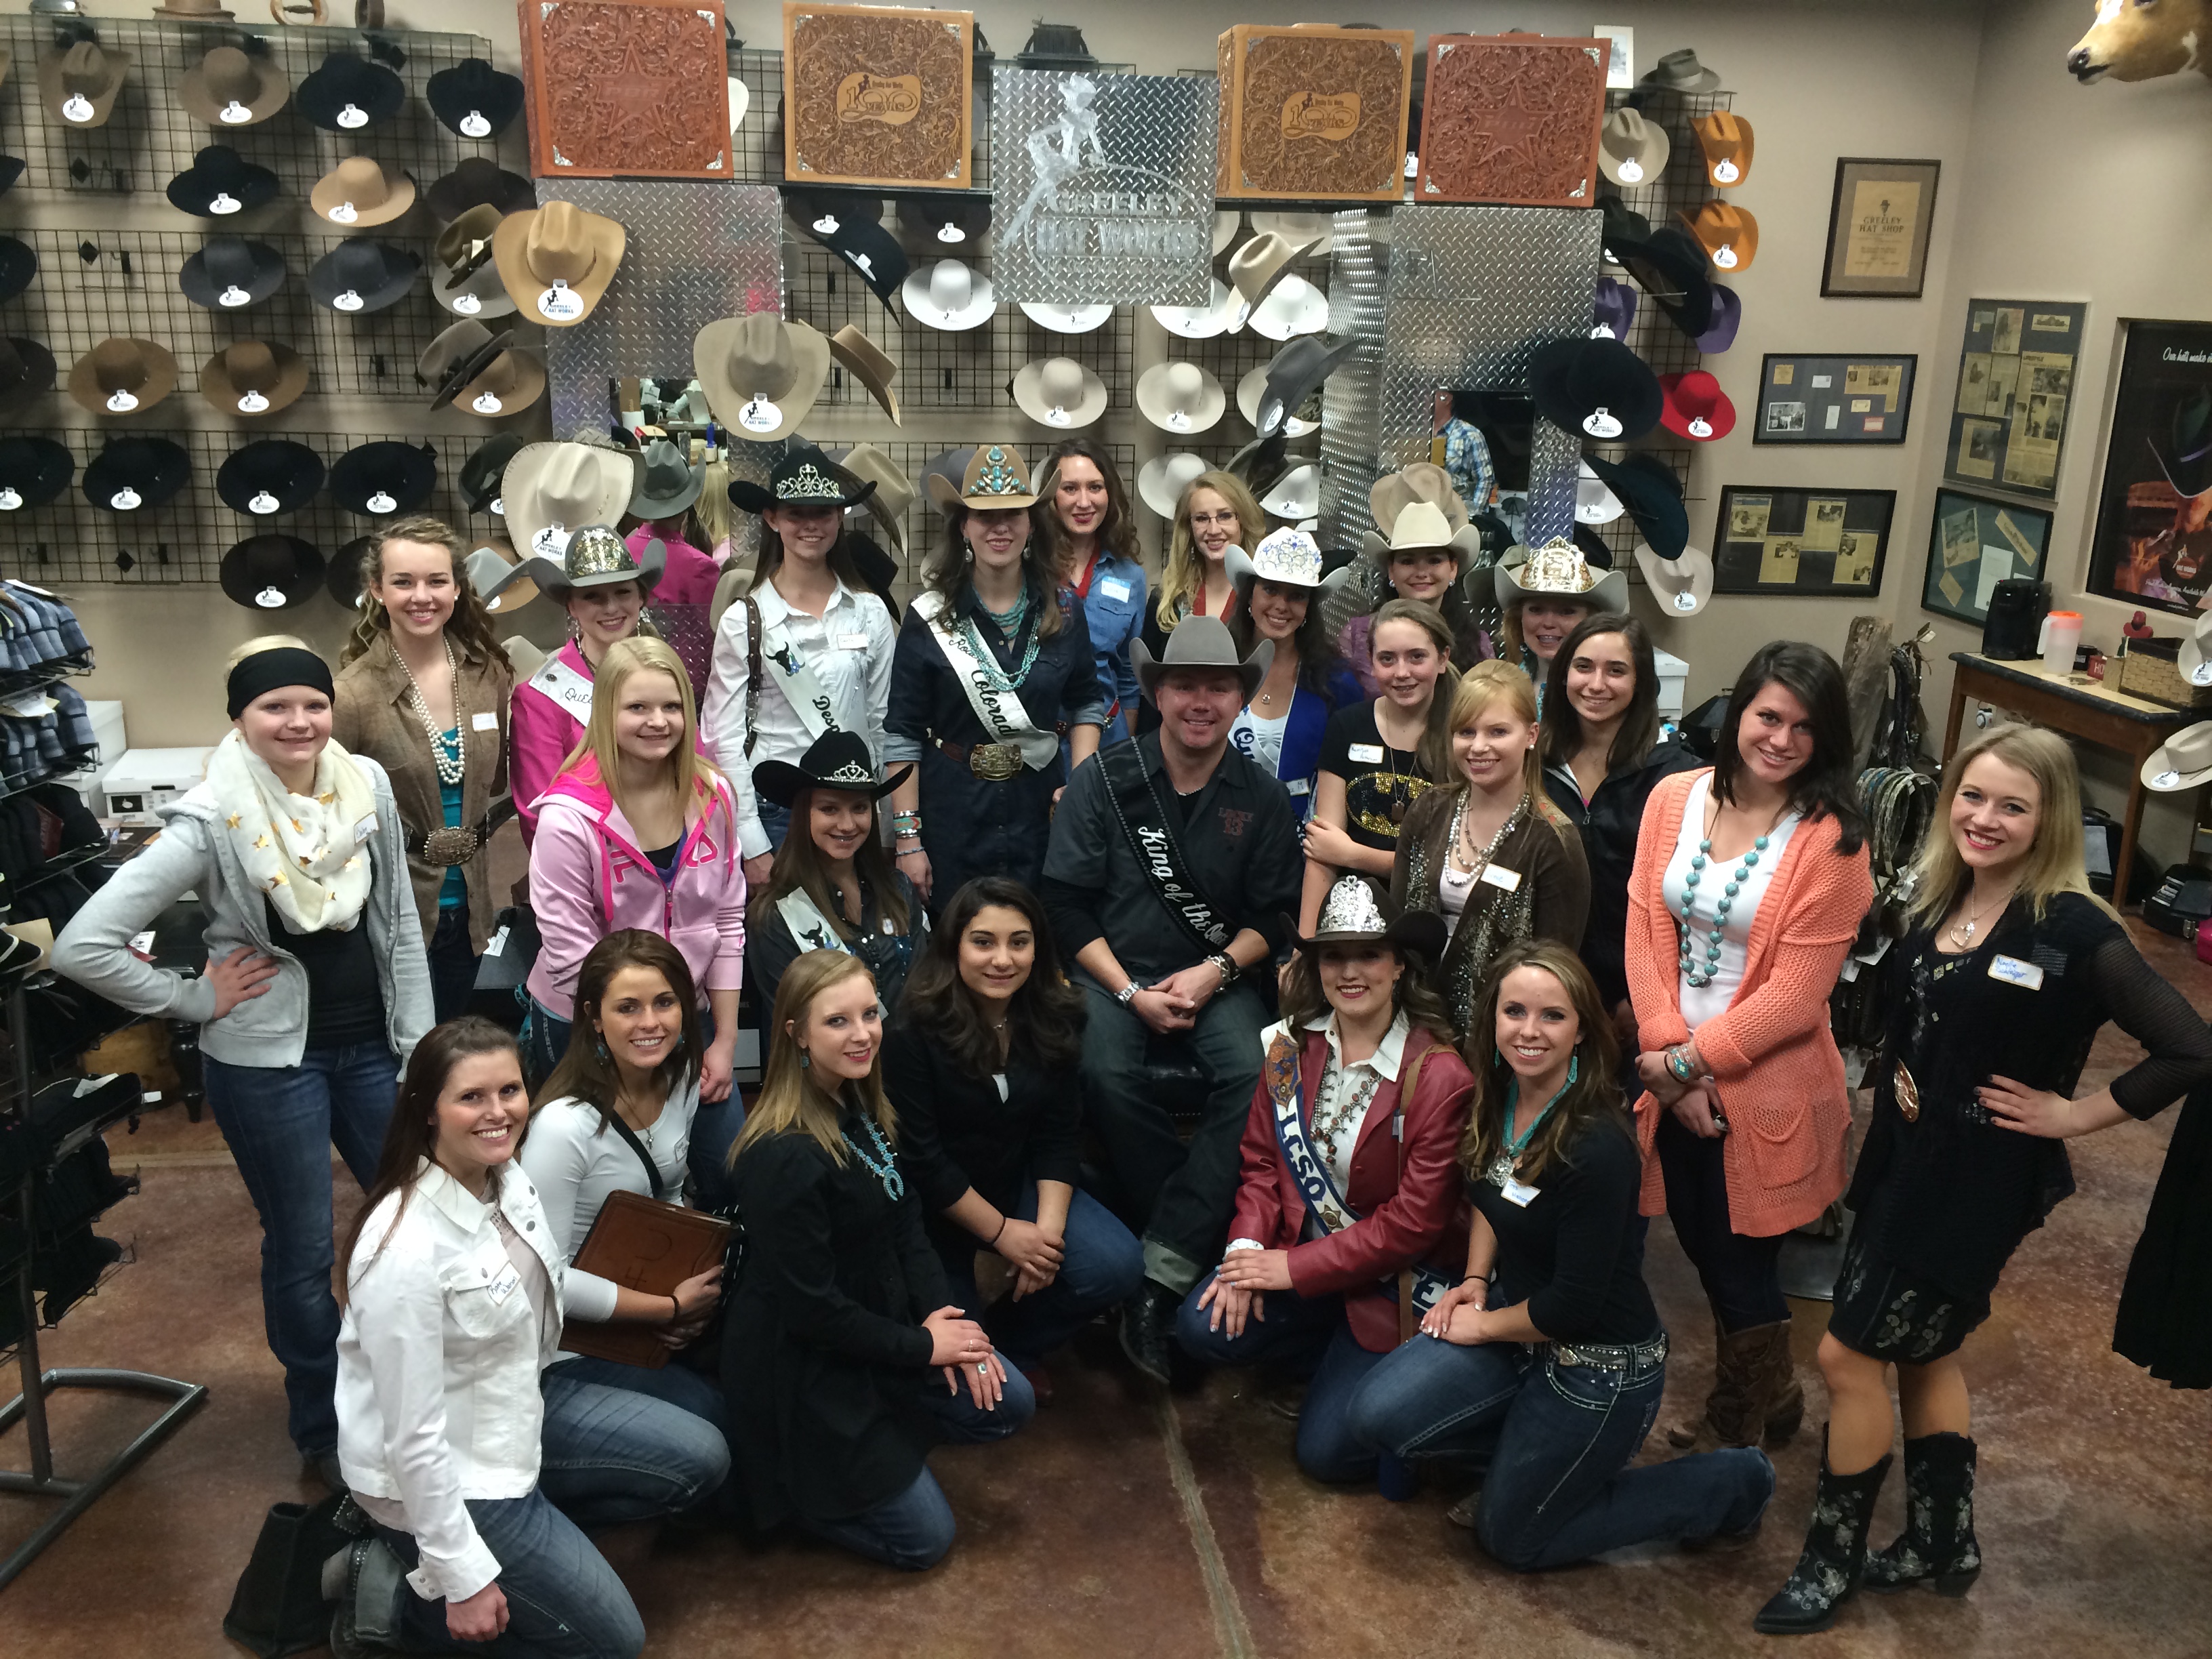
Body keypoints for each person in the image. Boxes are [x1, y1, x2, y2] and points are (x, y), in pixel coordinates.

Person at [1755, 723, 2212, 1635]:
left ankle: (1830, 1561)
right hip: (1904, 1163)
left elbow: (2191, 1047)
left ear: (2051, 819)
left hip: (1976, 1184)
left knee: (1847, 1356)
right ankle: (1942, 1540)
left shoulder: (2074, 928)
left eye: (2013, 806)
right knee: (1926, 1353)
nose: (1985, 819)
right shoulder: (1946, 892)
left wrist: (2074, 1115)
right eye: (1972, 796)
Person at [54, 639, 431, 1489]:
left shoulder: (364, 784)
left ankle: (413, 1395)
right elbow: (84, 945)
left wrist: (419, 1046)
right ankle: (324, 1427)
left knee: (419, 1222)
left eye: (313, 704)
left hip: (375, 1050)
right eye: (274, 707)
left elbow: (399, 924)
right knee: (302, 1248)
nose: (299, 721)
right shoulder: (211, 816)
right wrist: (192, 998)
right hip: (269, 1067)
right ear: (239, 719)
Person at [1348, 942, 1776, 1565]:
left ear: (1581, 1031)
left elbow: (1573, 1307)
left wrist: (1480, 1327)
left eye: (1552, 1016)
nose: (1529, 1031)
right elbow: (1493, 1193)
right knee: (1376, 1415)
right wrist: (1475, 1278)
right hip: (1520, 1328)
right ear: (1492, 1018)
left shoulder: (1596, 1147)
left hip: (1597, 1367)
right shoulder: (1497, 1096)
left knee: (1513, 1540)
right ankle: (1535, 1467)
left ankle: (1734, 1481)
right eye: (1514, 1011)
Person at [329, 1018, 727, 1658]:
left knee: (702, 1457)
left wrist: (662, 1307)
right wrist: (462, 1575)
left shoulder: (507, 1179)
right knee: (614, 1644)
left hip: (519, 1409)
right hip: (449, 1473)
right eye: (471, 1097)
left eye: (510, 1091)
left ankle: (527, 1559)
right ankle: (398, 1596)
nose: (498, 1113)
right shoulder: (403, 1250)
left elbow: (555, 1283)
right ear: (426, 1110)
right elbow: (414, 1438)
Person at [1623, 641, 1872, 1457]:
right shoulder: (1674, 797)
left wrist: (1688, 1067)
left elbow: (1796, 998)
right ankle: (1779, 1395)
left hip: (1767, 1089)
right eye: (1768, 716)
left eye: (1805, 727)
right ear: (1739, 713)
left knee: (1739, 1266)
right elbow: (1645, 931)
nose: (1781, 739)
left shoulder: (1834, 844)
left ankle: (1735, 1436)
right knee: (1701, 1245)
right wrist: (1670, 1059)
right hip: (1675, 1072)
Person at [1041, 617, 1303, 1384]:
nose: (1200, 702)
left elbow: (1273, 918)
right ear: (1157, 693)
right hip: (1112, 974)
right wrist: (1128, 991)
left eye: (1218, 687)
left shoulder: (1259, 795)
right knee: (1101, 1071)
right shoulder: (1103, 780)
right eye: (1184, 685)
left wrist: (1214, 972)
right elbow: (1064, 905)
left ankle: (1153, 1277)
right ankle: (1183, 1248)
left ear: (1238, 698)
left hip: (1216, 978)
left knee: (1260, 1075)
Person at [722, 950, 1035, 1570]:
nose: (863, 1034)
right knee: (925, 1542)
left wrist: (942, 1317)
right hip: (808, 1366)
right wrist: (923, 1348)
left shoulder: (858, 1103)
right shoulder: (781, 1155)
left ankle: (886, 1450)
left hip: (877, 1326)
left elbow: (906, 1220)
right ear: (796, 1034)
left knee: (1010, 1401)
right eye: (837, 1021)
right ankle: (793, 1493)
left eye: (870, 1014)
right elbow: (813, 1313)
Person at [1177, 875, 1474, 1481]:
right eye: (1334, 956)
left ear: (1399, 965)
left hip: (1388, 1286)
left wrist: (1293, 1269)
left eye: (1369, 955)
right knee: (1200, 1327)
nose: (1350, 972)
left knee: (1327, 1457)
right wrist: (1246, 1251)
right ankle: (1323, 1354)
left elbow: (1414, 1224)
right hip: (1301, 1263)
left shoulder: (1440, 1076)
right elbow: (1262, 1162)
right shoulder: (1290, 1048)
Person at [883, 877, 1143, 1397]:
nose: (1002, 960)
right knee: (969, 1386)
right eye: (983, 942)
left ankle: (1018, 1342)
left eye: (1018, 942)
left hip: (1014, 1179)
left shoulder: (1057, 1014)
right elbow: (923, 1160)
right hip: (934, 1210)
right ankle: (982, 1335)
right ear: (954, 945)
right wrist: (1004, 1236)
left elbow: (1059, 1135)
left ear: (1037, 948)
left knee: (1116, 1266)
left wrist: (1044, 1241)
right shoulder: (912, 1028)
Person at [522, 638, 743, 1160]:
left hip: (686, 1011)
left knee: (727, 1167)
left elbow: (728, 920)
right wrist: (638, 1045)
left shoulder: (714, 795)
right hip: (588, 1021)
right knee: (615, 1178)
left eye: (671, 706)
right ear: (606, 712)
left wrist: (725, 1040)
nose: (658, 722)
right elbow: (571, 956)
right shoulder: (567, 818)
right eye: (638, 707)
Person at [514, 930, 731, 1431]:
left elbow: (669, 1199)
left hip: (650, 1311)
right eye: (628, 1008)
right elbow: (546, 1280)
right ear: (594, 1018)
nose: (650, 1023)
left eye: (664, 1003)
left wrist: (690, 1308)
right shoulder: (563, 1126)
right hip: (570, 1347)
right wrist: (667, 1308)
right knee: (709, 1430)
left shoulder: (680, 1079)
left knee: (758, 1385)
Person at [884, 444, 1103, 907]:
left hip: (1039, 812)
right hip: (952, 814)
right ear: (964, 526)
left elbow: (1086, 701)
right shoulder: (928, 617)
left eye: (1013, 514)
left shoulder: (1066, 611)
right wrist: (908, 840)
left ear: (1031, 524)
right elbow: (903, 734)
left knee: (1038, 933)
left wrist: (1080, 786)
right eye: (985, 516)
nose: (1000, 527)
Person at [333, 516, 514, 1024]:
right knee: (405, 1047)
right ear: (376, 589)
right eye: (403, 582)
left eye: (436, 581)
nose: (421, 596)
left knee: (449, 1038)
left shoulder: (488, 675)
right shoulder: (351, 694)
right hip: (393, 910)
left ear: (456, 588)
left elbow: (496, 780)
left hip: (473, 907)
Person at [703, 445, 897, 885]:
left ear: (840, 517)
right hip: (777, 813)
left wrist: (885, 825)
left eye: (823, 512)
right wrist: (752, 843)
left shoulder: (870, 613)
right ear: (772, 518)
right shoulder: (743, 620)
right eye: (796, 513)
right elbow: (722, 738)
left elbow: (880, 722)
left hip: (852, 810)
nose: (811, 524)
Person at [1393, 660, 1589, 1034]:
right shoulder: (1428, 810)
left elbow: (1556, 969)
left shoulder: (1554, 840)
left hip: (1500, 1036)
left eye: (1498, 731)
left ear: (1531, 734)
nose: (1478, 747)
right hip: (1412, 1022)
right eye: (1466, 732)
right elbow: (1397, 924)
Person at [1538, 613, 1701, 1052]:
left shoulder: (1677, 776)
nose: (1597, 684)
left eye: (1616, 671)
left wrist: (1643, 996)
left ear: (1641, 682)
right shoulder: (1535, 764)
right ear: (1563, 674)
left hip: (1639, 993)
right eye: (1583, 667)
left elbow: (1685, 899)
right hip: (1547, 979)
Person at [490, 527, 664, 848]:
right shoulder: (538, 699)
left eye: (622, 592)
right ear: (571, 606)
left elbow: (694, 769)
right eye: (592, 596)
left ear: (641, 598)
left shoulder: (665, 675)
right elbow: (540, 814)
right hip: (591, 861)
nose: (611, 607)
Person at [1303, 598, 1458, 934]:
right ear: (1371, 662)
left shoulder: (1463, 735)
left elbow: (1452, 868)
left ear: (1443, 659)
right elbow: (1323, 849)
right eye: (1387, 658)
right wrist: (1307, 946)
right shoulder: (1347, 726)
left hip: (1434, 921)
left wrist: (1353, 855)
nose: (1402, 672)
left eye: (1417, 657)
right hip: (1352, 918)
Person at [746, 729, 924, 1017]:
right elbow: (792, 1019)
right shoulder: (774, 915)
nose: (847, 824)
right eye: (829, 809)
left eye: (859, 808)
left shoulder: (898, 888)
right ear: (804, 813)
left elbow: (924, 989)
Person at [1225, 527, 1361, 821]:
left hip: (1301, 834)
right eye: (1271, 590)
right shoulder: (1217, 665)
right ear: (1250, 594)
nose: (1281, 606)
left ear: (1309, 606)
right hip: (1221, 829)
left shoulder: (1336, 681)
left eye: (1296, 596)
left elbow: (1350, 771)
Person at [1337, 464, 1488, 686]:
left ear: (1453, 568)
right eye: (1408, 561)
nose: (1422, 572)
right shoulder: (1358, 636)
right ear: (1391, 570)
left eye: (1434, 560)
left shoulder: (1478, 644)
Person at [1044, 437, 1148, 745]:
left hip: (1108, 737)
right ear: (1051, 497)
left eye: (1095, 487)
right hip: (1042, 743)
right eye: (1070, 488)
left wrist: (1124, 748)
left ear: (1109, 494)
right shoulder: (1032, 569)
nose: (1084, 502)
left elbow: (1129, 675)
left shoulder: (1131, 577)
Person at [1139, 469, 1261, 665]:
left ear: (1243, 522)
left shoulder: (1263, 596)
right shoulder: (1167, 600)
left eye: (1225, 516)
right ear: (1189, 528)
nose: (1213, 530)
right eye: (1202, 519)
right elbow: (1148, 675)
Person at [1493, 537, 1626, 714]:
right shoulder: (1505, 683)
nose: (1548, 623)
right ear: (1519, 617)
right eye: (1536, 610)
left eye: (1566, 612)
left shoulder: (1600, 695)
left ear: (1591, 620)